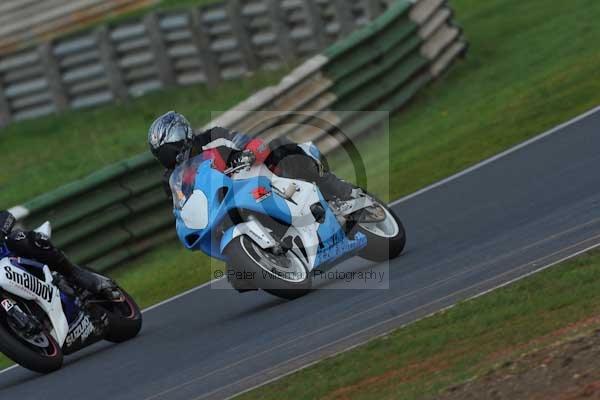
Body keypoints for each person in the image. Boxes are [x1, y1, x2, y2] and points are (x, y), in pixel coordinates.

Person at [148, 111, 356, 202]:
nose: (170, 156)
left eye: (170, 148)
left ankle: (341, 191)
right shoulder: (170, 180)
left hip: (254, 178)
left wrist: (246, 154)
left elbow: (249, 141)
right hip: (224, 204)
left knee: (280, 149)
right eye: (163, 153)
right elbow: (182, 209)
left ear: (181, 134)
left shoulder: (212, 136)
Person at [0, 210, 114, 294]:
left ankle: (75, 273)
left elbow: (7, 216)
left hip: (13, 260)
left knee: (19, 238)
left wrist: (1, 231)